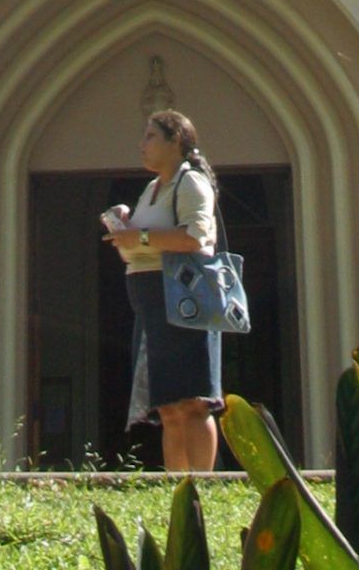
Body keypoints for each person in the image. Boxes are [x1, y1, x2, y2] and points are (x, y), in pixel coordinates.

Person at [101, 107, 224, 472]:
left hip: (184, 298)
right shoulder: (150, 190)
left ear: (176, 142)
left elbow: (194, 237)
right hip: (151, 302)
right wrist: (124, 230)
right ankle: (177, 488)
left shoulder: (190, 183)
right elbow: (139, 247)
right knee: (168, 405)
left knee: (194, 402)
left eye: (151, 136)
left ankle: (203, 484)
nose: (142, 145)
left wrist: (137, 235)